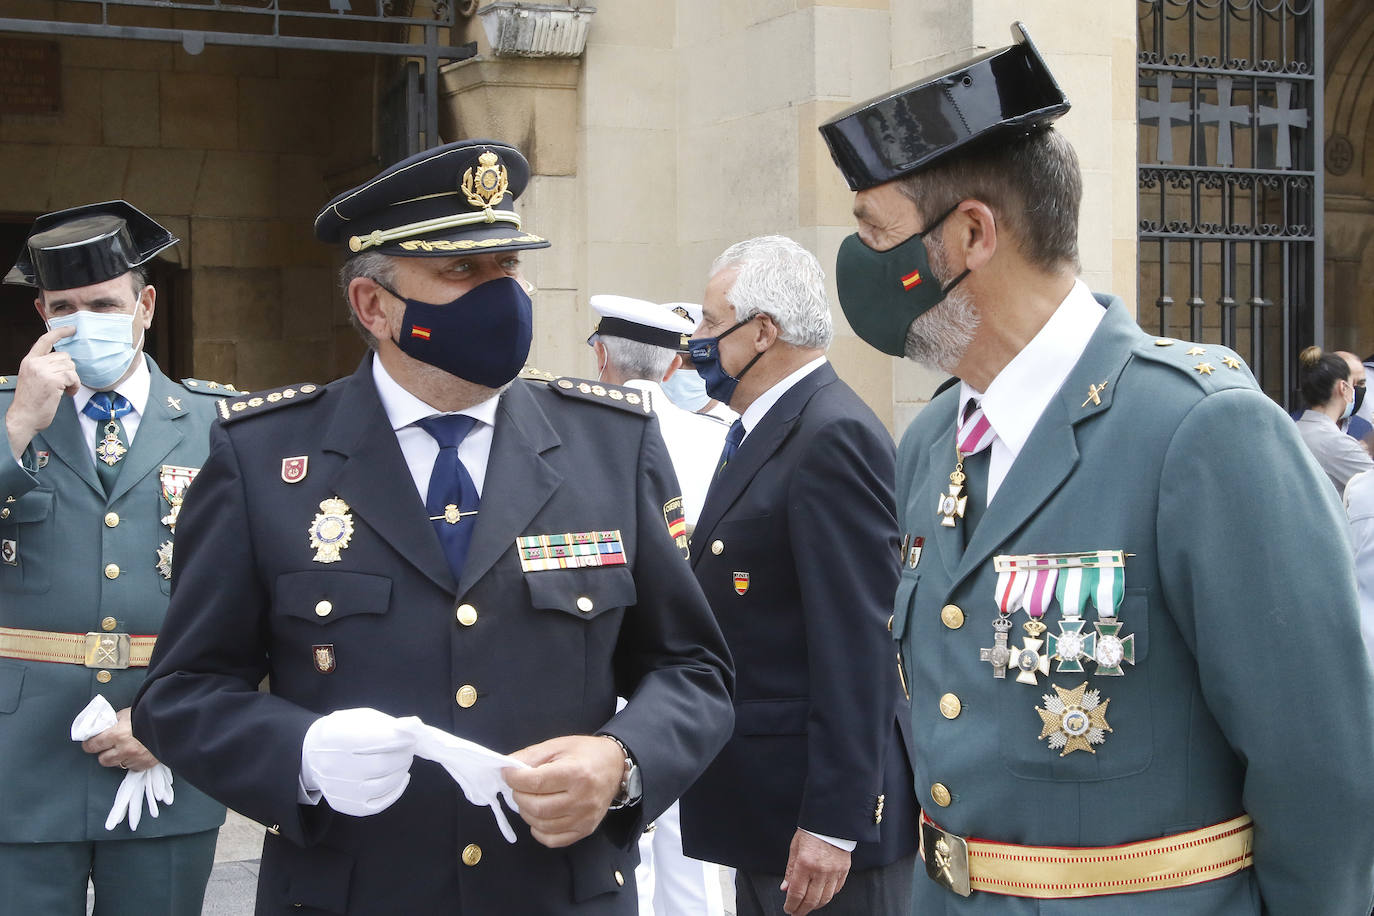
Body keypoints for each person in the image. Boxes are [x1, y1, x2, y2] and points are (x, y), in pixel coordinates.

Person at [818, 21, 1374, 913]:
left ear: (971, 234)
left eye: (877, 234)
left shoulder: (1201, 431)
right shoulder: (933, 442)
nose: (860, 266)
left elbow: (1324, 781)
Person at [131, 139, 735, 915]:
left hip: (556, 895)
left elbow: (694, 670)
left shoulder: (611, 446)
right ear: (373, 306)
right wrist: (300, 754)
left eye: (507, 266)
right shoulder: (264, 459)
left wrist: (622, 759)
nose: (501, 294)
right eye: (461, 270)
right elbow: (182, 695)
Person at [678, 235, 919, 916]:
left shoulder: (829, 434)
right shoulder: (766, 428)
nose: (696, 341)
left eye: (710, 321)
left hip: (819, 829)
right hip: (769, 812)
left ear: (762, 332)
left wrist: (834, 821)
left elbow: (860, 642)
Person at [0, 201, 227, 915]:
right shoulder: (7, 416)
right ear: (41, 315)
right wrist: (18, 426)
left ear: (145, 306)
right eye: (63, 307)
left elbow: (253, 597)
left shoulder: (219, 424)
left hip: (166, 750)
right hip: (20, 763)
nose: (84, 321)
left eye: (103, 304)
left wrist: (178, 722)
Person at [585, 294, 728, 916]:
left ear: (600, 356)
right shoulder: (717, 438)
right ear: (673, 366)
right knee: (692, 846)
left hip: (603, 653)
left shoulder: (578, 436)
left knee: (616, 830)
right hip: (693, 660)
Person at [1295, 345, 1373, 495]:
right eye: (1353, 384)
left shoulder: (1294, 429)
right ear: (1343, 387)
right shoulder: (1335, 441)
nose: (1356, 391)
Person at [659, 302, 738, 424]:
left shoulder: (741, 424)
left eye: (694, 361)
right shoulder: (635, 415)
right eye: (670, 359)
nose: (680, 369)